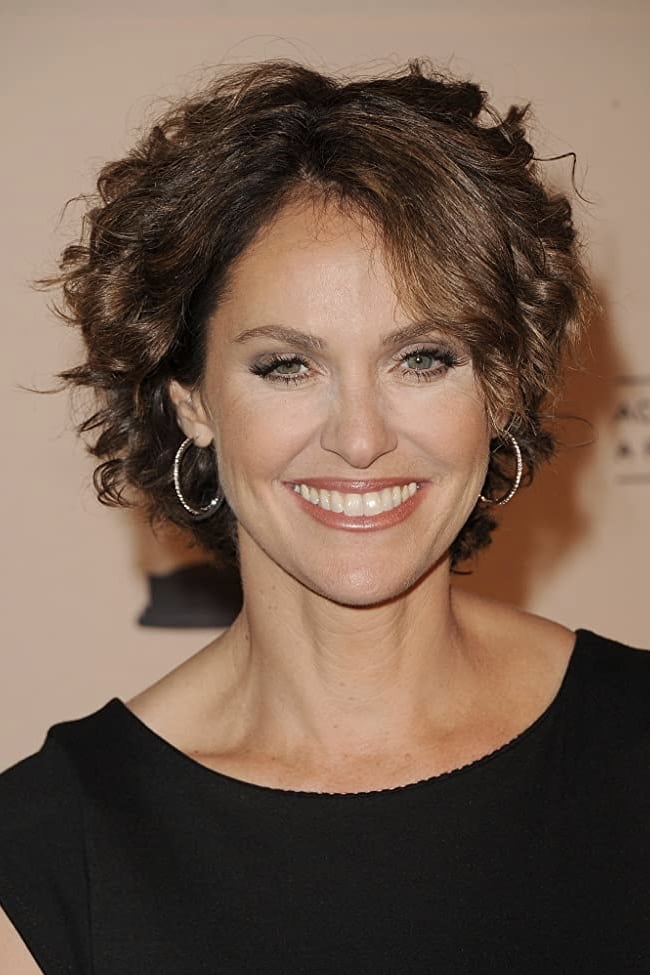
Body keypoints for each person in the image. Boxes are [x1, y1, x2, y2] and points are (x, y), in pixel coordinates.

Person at [1, 58, 648, 974]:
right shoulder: (50, 854)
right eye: (287, 365)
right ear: (191, 398)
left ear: (503, 386)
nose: (360, 438)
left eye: (422, 358)